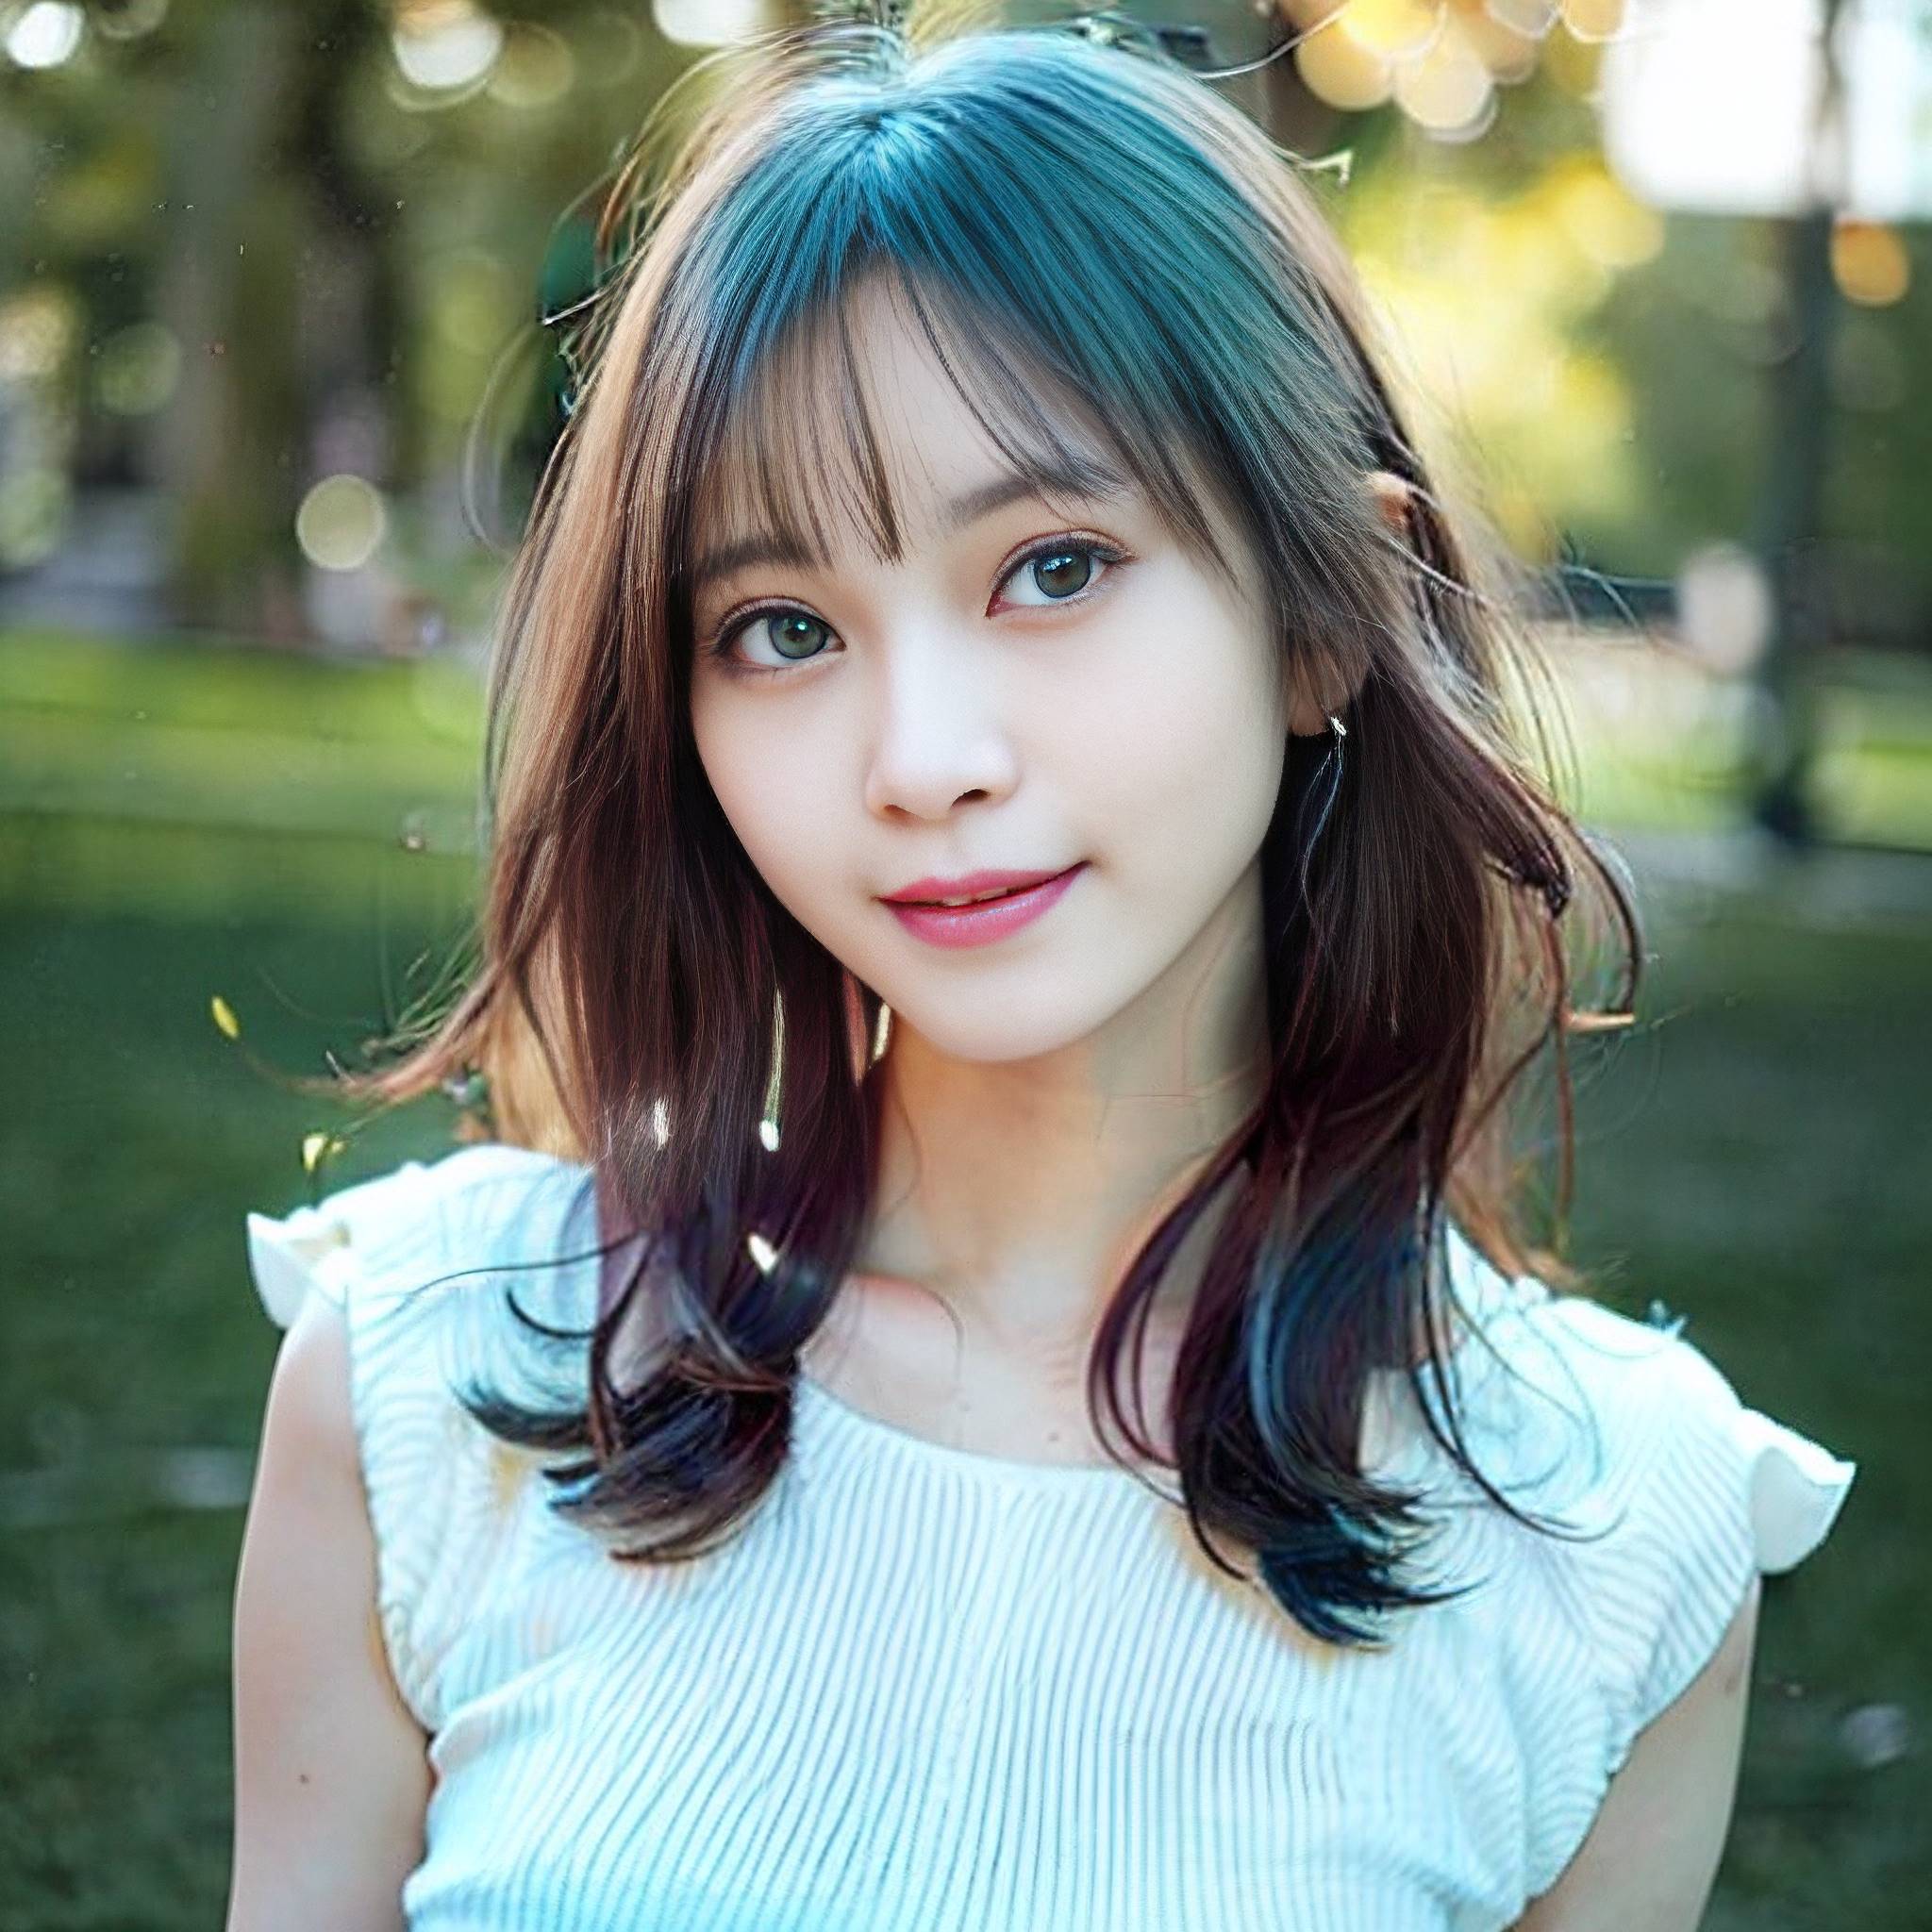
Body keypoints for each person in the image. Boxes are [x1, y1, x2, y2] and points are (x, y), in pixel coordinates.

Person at [226, 12, 1857, 1931]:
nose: (924, 757)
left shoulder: (1611, 1523)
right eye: (778, 625)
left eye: (1055, 566)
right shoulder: (439, 1374)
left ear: (1331, 613)